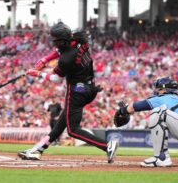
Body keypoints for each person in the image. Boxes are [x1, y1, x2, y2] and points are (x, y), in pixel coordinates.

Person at [18, 22, 118, 163]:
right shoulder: (80, 39)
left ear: (63, 40)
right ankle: (38, 150)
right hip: (89, 88)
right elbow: (63, 50)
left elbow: (56, 79)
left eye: (56, 41)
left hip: (77, 91)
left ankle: (107, 146)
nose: (55, 44)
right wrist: (45, 59)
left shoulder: (66, 60)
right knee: (61, 123)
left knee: (73, 130)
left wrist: (38, 73)